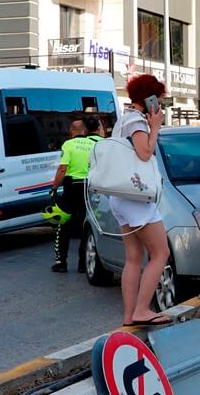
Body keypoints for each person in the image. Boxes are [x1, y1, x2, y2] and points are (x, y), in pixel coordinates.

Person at [113, 74, 171, 327]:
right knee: (161, 253)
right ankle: (142, 310)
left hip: (122, 196)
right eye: (158, 98)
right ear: (148, 98)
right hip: (137, 197)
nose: (160, 104)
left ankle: (129, 316)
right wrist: (155, 126)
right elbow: (145, 153)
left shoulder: (123, 119)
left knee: (134, 257)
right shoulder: (136, 121)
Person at [50, 116, 102, 273]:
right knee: (86, 226)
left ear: (71, 131)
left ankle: (61, 262)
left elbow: (63, 169)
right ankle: (83, 264)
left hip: (72, 188)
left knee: (64, 224)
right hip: (89, 188)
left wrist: (54, 187)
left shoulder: (69, 144)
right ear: (84, 130)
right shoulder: (94, 144)